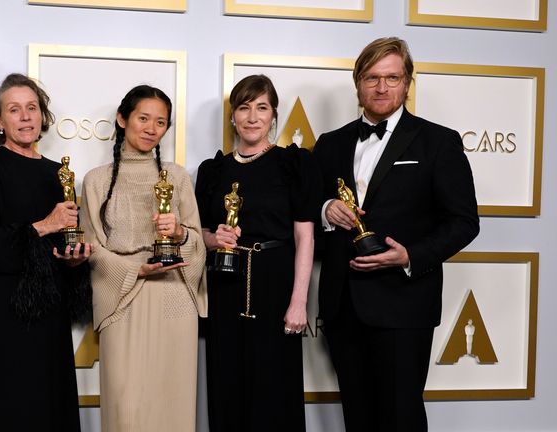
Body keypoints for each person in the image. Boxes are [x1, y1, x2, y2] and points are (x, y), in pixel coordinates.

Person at [313, 37, 480, 431]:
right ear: (358, 83)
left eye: (392, 77)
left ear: (407, 83)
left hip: (404, 305)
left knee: (401, 416)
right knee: (357, 416)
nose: (382, 87)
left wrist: (410, 257)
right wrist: (324, 211)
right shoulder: (329, 144)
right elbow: (306, 215)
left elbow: (464, 221)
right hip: (343, 306)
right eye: (372, 77)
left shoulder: (438, 141)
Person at [195, 74, 321, 431]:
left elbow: (305, 237)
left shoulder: (293, 164)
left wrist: (299, 301)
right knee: (227, 383)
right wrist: (213, 238)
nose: (252, 117)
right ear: (233, 116)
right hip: (224, 284)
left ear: (274, 115)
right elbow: (201, 234)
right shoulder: (212, 170)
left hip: (275, 283)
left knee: (274, 388)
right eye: (244, 107)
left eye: (261, 108)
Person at [0, 73, 91, 431]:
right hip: (3, 313)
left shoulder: (59, 174)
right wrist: (44, 225)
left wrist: (75, 260)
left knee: (50, 405)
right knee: (8, 406)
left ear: (42, 116)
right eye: (14, 109)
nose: (25, 117)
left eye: (32, 108)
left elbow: (63, 243)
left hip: (50, 316)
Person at [80, 85, 207, 432]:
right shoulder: (95, 181)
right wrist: (136, 268)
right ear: (122, 119)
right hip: (122, 298)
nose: (152, 128)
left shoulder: (179, 177)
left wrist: (179, 233)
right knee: (127, 406)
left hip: (174, 299)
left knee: (174, 400)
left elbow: (197, 242)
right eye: (143, 118)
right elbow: (92, 248)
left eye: (161, 122)